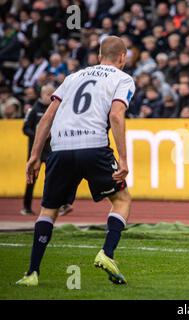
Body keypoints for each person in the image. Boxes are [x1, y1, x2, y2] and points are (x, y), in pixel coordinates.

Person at [16, 36, 135, 286]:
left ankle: (32, 273)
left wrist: (35, 156)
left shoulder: (73, 77)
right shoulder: (122, 78)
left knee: (48, 210)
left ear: (100, 55)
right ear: (122, 57)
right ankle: (107, 253)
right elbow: (116, 115)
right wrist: (123, 159)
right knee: (122, 199)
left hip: (59, 149)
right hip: (93, 146)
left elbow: (47, 117)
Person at [21, 84, 74, 216]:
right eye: (47, 93)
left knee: (55, 178)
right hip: (36, 152)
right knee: (32, 179)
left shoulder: (57, 108)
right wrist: (40, 135)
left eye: (52, 93)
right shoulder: (34, 110)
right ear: (41, 94)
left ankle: (62, 205)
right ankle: (26, 207)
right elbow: (25, 128)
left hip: (52, 150)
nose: (49, 96)